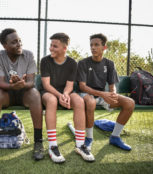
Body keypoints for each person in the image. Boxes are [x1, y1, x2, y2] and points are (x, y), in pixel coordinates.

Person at [0, 28, 44, 162]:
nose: (19, 44)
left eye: (19, 41)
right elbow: (0, 83)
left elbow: (31, 82)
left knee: (35, 94)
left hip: (25, 93)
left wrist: (22, 84)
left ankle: (38, 142)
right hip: (7, 93)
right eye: (14, 42)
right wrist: (13, 85)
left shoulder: (29, 55)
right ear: (5, 46)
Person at [40, 33, 95, 164]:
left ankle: (80, 145)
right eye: (51, 45)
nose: (51, 48)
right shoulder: (45, 61)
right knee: (52, 101)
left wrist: (65, 94)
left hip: (65, 92)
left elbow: (69, 85)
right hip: (49, 92)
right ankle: (53, 146)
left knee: (79, 101)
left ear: (64, 48)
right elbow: (46, 85)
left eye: (55, 46)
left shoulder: (72, 63)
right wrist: (59, 96)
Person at [76, 33, 135, 152]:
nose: (93, 47)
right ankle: (89, 138)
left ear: (104, 47)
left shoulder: (109, 64)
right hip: (85, 95)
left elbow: (112, 86)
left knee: (129, 103)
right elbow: (82, 87)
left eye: (96, 45)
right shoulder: (83, 63)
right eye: (91, 45)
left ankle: (115, 137)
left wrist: (112, 95)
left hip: (102, 96)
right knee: (90, 102)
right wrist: (103, 94)